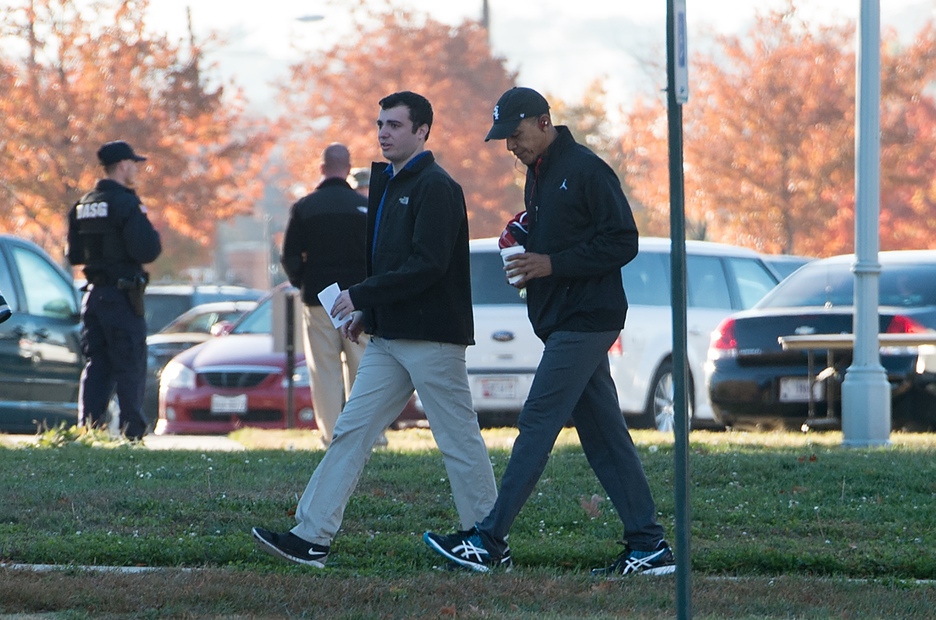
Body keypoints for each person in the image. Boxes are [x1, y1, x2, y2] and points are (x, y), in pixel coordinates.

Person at [423, 87, 675, 576]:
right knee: (605, 437)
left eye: (515, 135)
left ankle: (488, 540)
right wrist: (523, 236)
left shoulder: (585, 169)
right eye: (504, 140)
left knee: (537, 421)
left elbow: (623, 241)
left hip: (587, 320)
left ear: (543, 122)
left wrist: (550, 263)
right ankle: (648, 546)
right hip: (563, 321)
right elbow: (562, 235)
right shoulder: (539, 175)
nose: (511, 147)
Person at [252, 91, 498, 567]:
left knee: (457, 440)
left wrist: (362, 295)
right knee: (350, 431)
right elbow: (390, 264)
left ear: (423, 131)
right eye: (380, 124)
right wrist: (370, 313)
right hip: (389, 339)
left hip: (431, 338)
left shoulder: (436, 187)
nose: (383, 132)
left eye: (395, 125)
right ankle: (311, 536)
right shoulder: (388, 185)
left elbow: (427, 266)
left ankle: (487, 540)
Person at [280, 143, 384, 448]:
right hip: (359, 299)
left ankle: (330, 435)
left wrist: (303, 282)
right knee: (363, 367)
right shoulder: (365, 207)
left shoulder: (304, 207)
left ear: (322, 168)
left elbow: (289, 257)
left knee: (324, 371)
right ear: (349, 169)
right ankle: (370, 434)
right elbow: (377, 254)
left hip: (318, 299)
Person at [67, 140, 162, 441]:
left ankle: (90, 429)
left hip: (93, 297)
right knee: (129, 363)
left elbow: (74, 255)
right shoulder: (126, 204)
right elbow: (148, 249)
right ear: (123, 165)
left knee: (97, 366)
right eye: (134, 164)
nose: (136, 169)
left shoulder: (82, 205)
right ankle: (132, 433)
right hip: (122, 297)